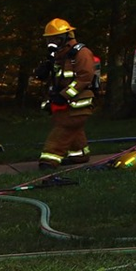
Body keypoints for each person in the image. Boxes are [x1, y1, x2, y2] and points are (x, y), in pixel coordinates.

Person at [38, 18, 99, 169]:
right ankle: (80, 154)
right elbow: (58, 79)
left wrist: (64, 95)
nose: (52, 42)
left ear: (67, 37)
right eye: (49, 39)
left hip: (78, 103)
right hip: (66, 102)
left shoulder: (81, 53)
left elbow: (84, 78)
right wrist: (45, 71)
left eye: (56, 38)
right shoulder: (59, 56)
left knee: (63, 129)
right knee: (73, 128)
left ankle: (49, 159)